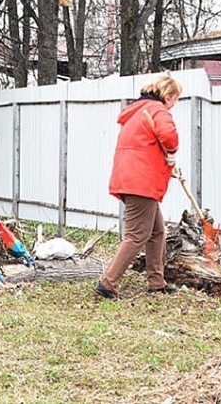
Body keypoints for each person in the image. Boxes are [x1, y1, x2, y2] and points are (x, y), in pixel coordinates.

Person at [95, 76, 182, 299]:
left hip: (130, 178)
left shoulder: (136, 111)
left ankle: (156, 282)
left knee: (157, 231)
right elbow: (169, 136)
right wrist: (172, 153)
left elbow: (145, 145)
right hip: (141, 181)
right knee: (136, 235)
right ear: (168, 96)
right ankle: (108, 282)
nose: (174, 104)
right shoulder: (158, 110)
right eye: (175, 99)